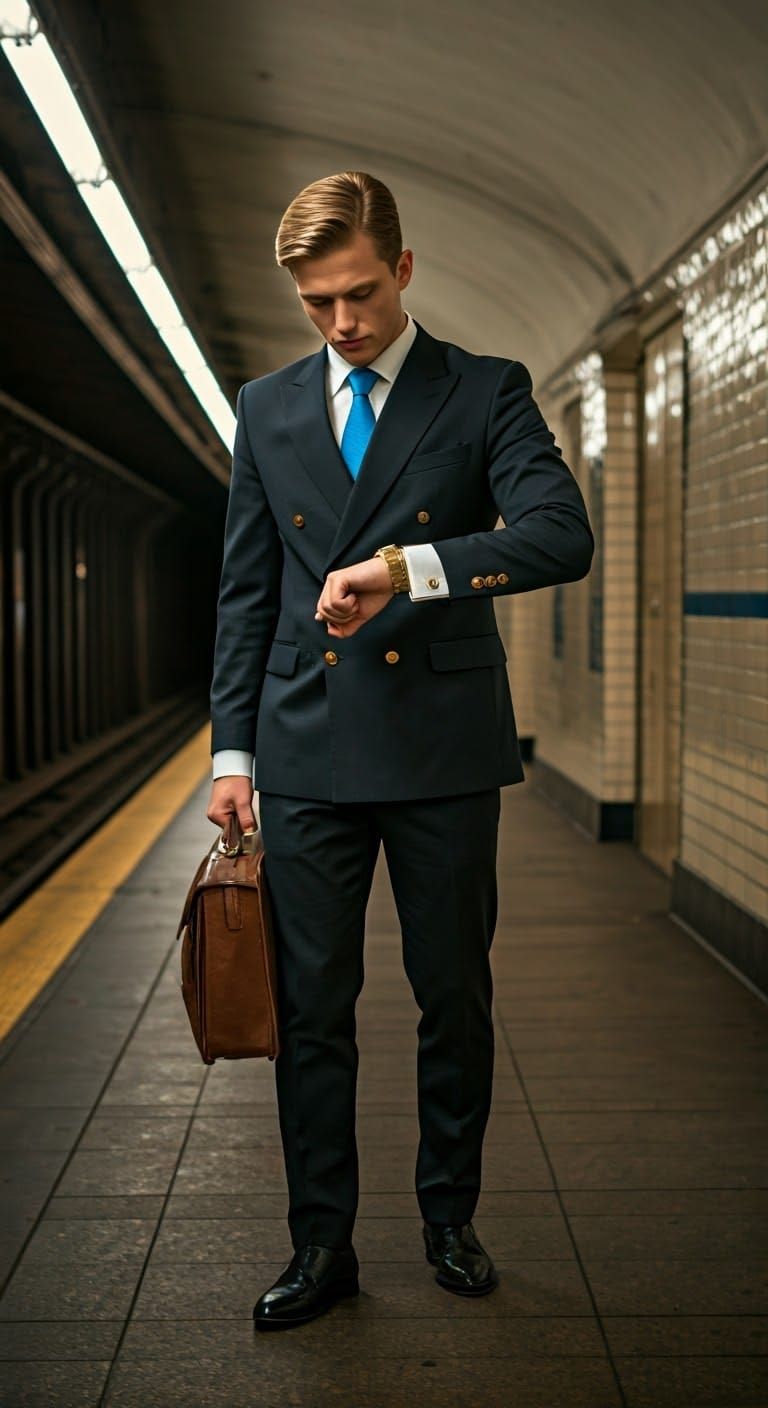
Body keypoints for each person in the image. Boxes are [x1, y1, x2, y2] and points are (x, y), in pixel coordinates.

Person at [207, 170, 594, 1330]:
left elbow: (557, 533)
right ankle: (321, 1244)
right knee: (311, 1006)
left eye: (361, 292)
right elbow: (245, 594)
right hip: (306, 747)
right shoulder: (267, 408)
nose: (342, 323)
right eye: (317, 303)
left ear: (406, 267)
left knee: (452, 995)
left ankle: (448, 1217)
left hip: (439, 746)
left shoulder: (483, 392)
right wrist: (231, 754)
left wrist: (406, 572)